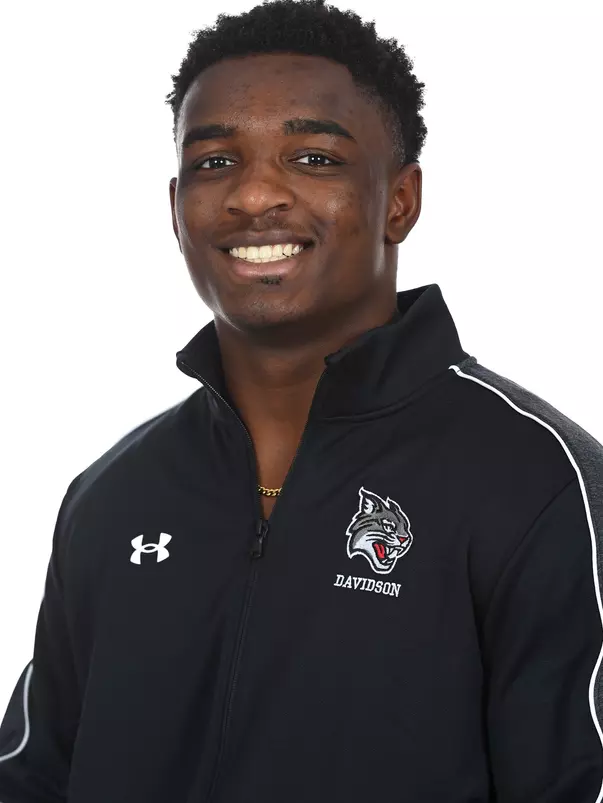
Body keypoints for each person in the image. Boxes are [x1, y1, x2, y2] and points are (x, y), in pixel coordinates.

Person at [1, 0, 602, 800]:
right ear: (174, 209)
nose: (254, 197)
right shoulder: (111, 496)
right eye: (215, 162)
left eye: (313, 158)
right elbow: (32, 775)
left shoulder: (538, 482)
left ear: (399, 201)